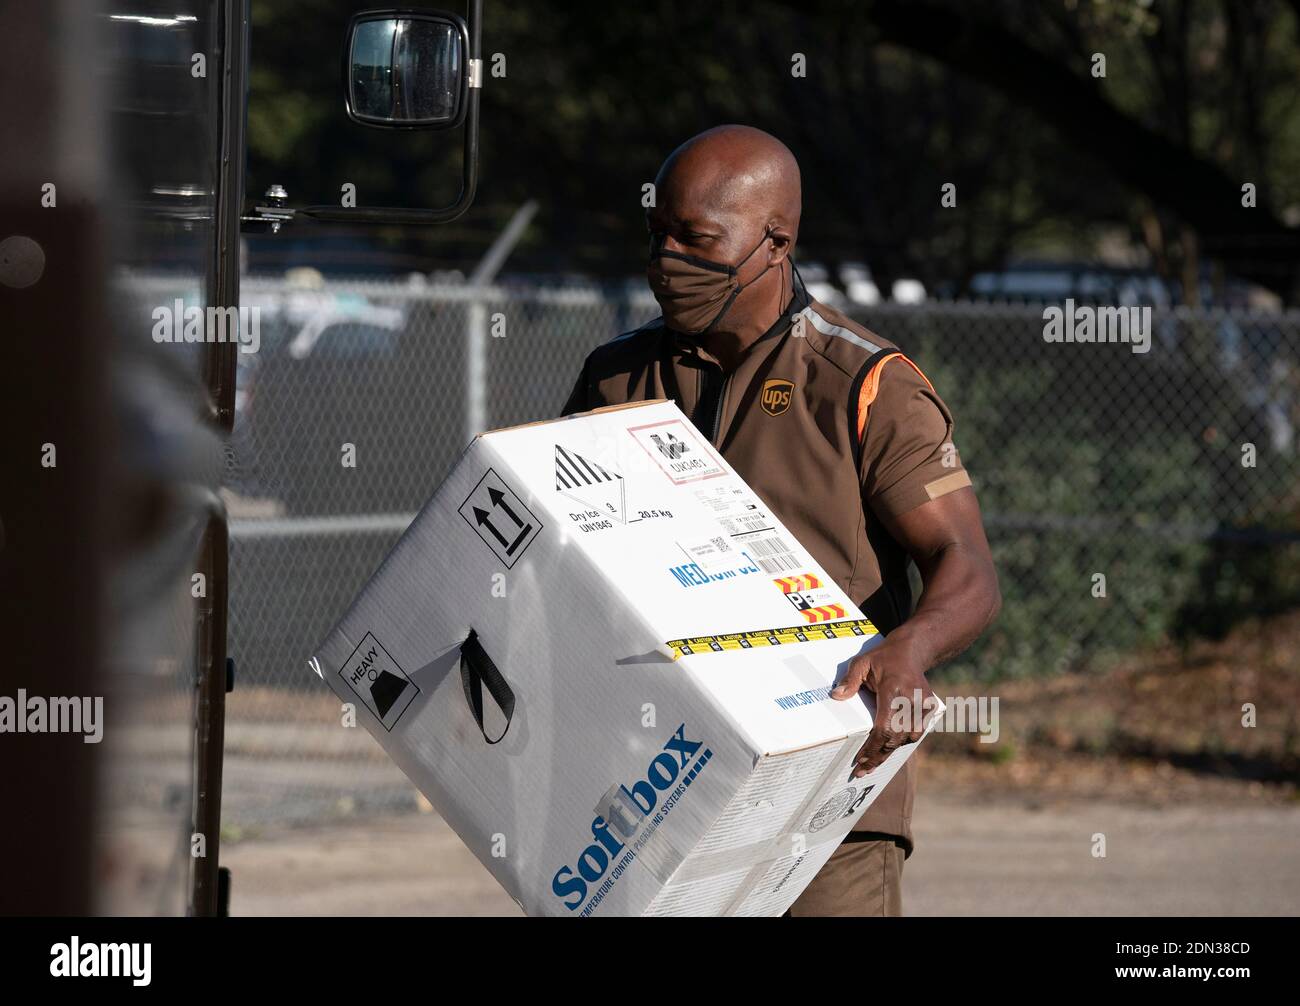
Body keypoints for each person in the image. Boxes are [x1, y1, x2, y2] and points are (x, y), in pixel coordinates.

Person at [560, 124, 1001, 916]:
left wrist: (910, 646)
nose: (666, 260)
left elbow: (965, 564)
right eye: (656, 233)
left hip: (825, 793)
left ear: (776, 238)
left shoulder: (861, 382)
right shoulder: (615, 378)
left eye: (695, 239)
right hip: (653, 787)